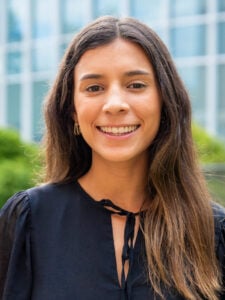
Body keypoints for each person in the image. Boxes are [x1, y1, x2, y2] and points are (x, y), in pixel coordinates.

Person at [0, 15, 224, 300]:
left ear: (165, 101)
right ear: (72, 109)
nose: (115, 104)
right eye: (94, 88)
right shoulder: (30, 221)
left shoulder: (213, 232)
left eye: (136, 85)